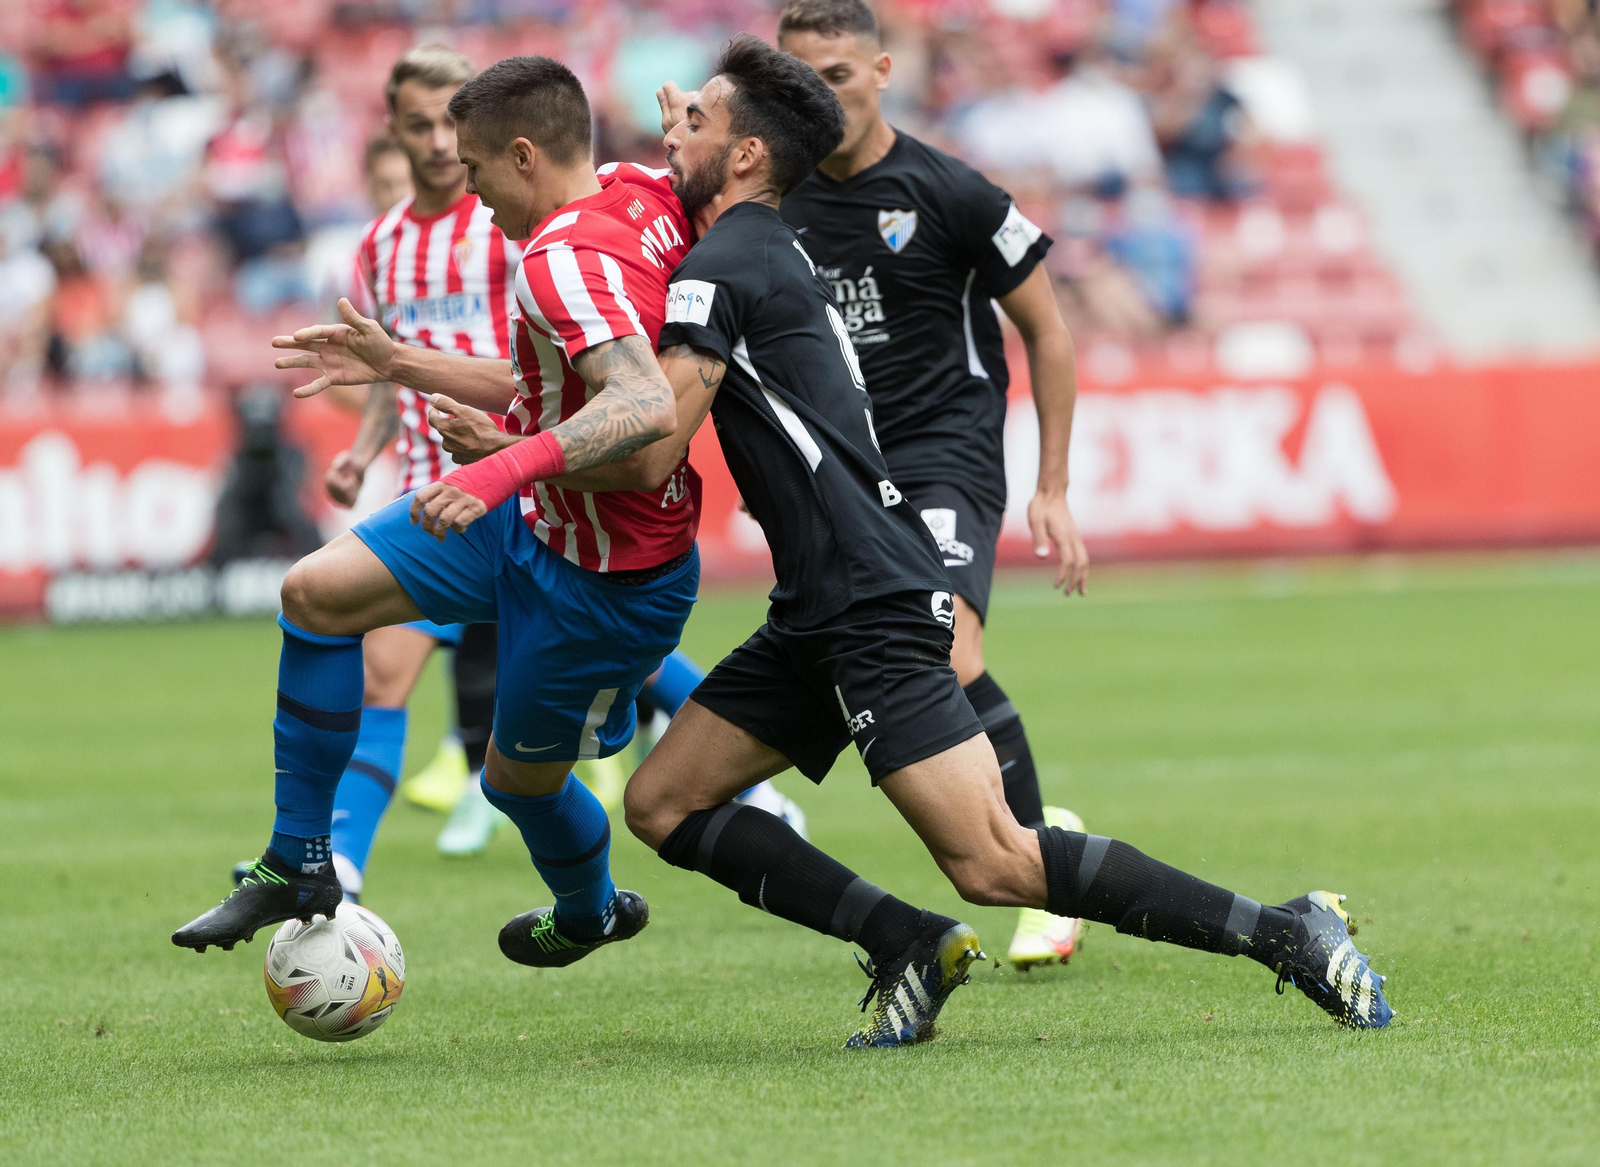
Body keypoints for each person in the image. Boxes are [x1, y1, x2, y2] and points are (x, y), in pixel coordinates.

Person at [456, 35, 1386, 1046]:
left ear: (748, 157)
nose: (675, 128)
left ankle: (1285, 930)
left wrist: (510, 459)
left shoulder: (719, 266)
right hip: (819, 600)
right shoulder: (744, 244)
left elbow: (646, 451)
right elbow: (661, 199)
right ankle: (904, 942)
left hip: (870, 598)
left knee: (995, 860)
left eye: (699, 121)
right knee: (664, 802)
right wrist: (694, 126)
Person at [172, 54, 706, 969]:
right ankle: (299, 856)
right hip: (524, 516)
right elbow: (543, 386)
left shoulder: (561, 258)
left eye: (477, 163)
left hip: (601, 568)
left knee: (518, 783)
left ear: (527, 155)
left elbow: (642, 405)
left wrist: (502, 467)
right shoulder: (629, 190)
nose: (470, 184)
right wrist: (399, 362)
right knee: (315, 594)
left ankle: (588, 910)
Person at [733, 0, 1091, 970]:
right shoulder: (773, 203)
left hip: (946, 451)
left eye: (838, 77)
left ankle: (1041, 867)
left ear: (883, 71)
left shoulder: (950, 192)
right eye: (800, 83)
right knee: (874, 658)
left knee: (944, 639)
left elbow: (1047, 331)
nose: (822, 98)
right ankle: (1029, 829)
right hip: (849, 472)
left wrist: (1050, 484)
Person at [300, 45, 523, 899]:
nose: (436, 141)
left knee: (630, 668)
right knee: (381, 671)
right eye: (419, 123)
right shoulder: (383, 243)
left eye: (449, 122)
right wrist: (362, 450)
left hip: (528, 484)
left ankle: (753, 788)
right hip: (427, 496)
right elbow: (393, 369)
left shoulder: (506, 217)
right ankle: (341, 864)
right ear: (392, 127)